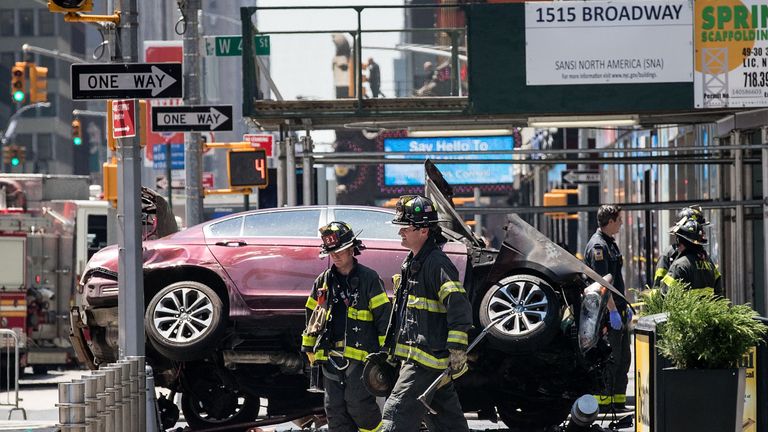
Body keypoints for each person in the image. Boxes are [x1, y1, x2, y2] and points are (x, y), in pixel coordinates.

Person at [379, 195, 472, 432]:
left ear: (423, 231)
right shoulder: (413, 262)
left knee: (395, 412)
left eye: (405, 228)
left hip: (424, 360)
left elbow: (458, 304)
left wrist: (457, 347)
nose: (400, 233)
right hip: (422, 358)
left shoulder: (437, 264)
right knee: (448, 423)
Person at [301, 221, 391, 432]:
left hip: (361, 359)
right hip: (330, 358)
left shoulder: (369, 278)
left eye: (340, 251)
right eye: (331, 252)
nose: (335, 256)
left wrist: (385, 355)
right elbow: (311, 315)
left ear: (352, 249)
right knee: (334, 410)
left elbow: (383, 318)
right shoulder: (323, 281)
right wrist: (308, 347)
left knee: (360, 406)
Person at [583, 204, 631, 412]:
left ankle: (617, 401)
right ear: (610, 222)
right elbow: (603, 284)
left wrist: (623, 306)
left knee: (623, 358)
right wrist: (612, 311)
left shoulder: (610, 243)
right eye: (619, 220)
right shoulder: (598, 247)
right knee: (610, 358)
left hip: (617, 309)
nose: (621, 224)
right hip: (605, 312)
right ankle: (604, 404)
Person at [659, 218, 722, 297]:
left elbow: (665, 295)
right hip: (709, 309)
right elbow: (719, 294)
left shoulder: (679, 266)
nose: (677, 247)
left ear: (684, 242)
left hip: (685, 310)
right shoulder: (709, 264)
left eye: (678, 242)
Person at [652, 206, 709, 289]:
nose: (702, 232)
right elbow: (659, 285)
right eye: (699, 227)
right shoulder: (669, 254)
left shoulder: (703, 256)